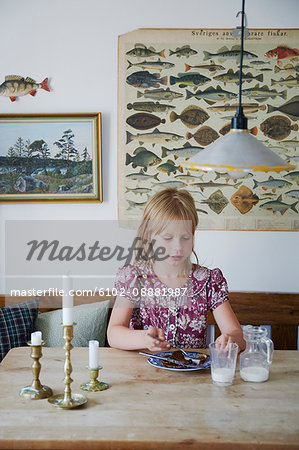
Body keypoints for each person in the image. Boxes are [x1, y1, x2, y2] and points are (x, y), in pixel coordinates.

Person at [107, 188, 245, 353]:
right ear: (150, 237)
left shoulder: (208, 281)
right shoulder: (134, 278)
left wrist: (231, 340)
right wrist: (144, 338)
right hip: (143, 374)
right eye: (168, 238)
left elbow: (237, 336)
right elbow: (114, 333)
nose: (178, 247)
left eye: (185, 238)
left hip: (193, 376)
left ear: (193, 235)